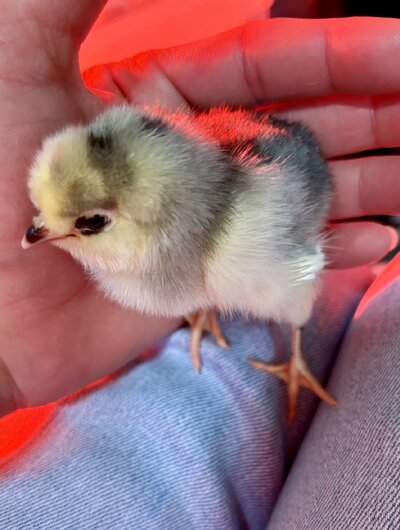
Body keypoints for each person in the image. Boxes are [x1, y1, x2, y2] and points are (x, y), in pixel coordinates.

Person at [0, 1, 398, 528]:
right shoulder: (154, 249)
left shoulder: (247, 229)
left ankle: (303, 347)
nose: (35, 231)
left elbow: (299, 259)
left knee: (289, 292)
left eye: (89, 221)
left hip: (267, 204)